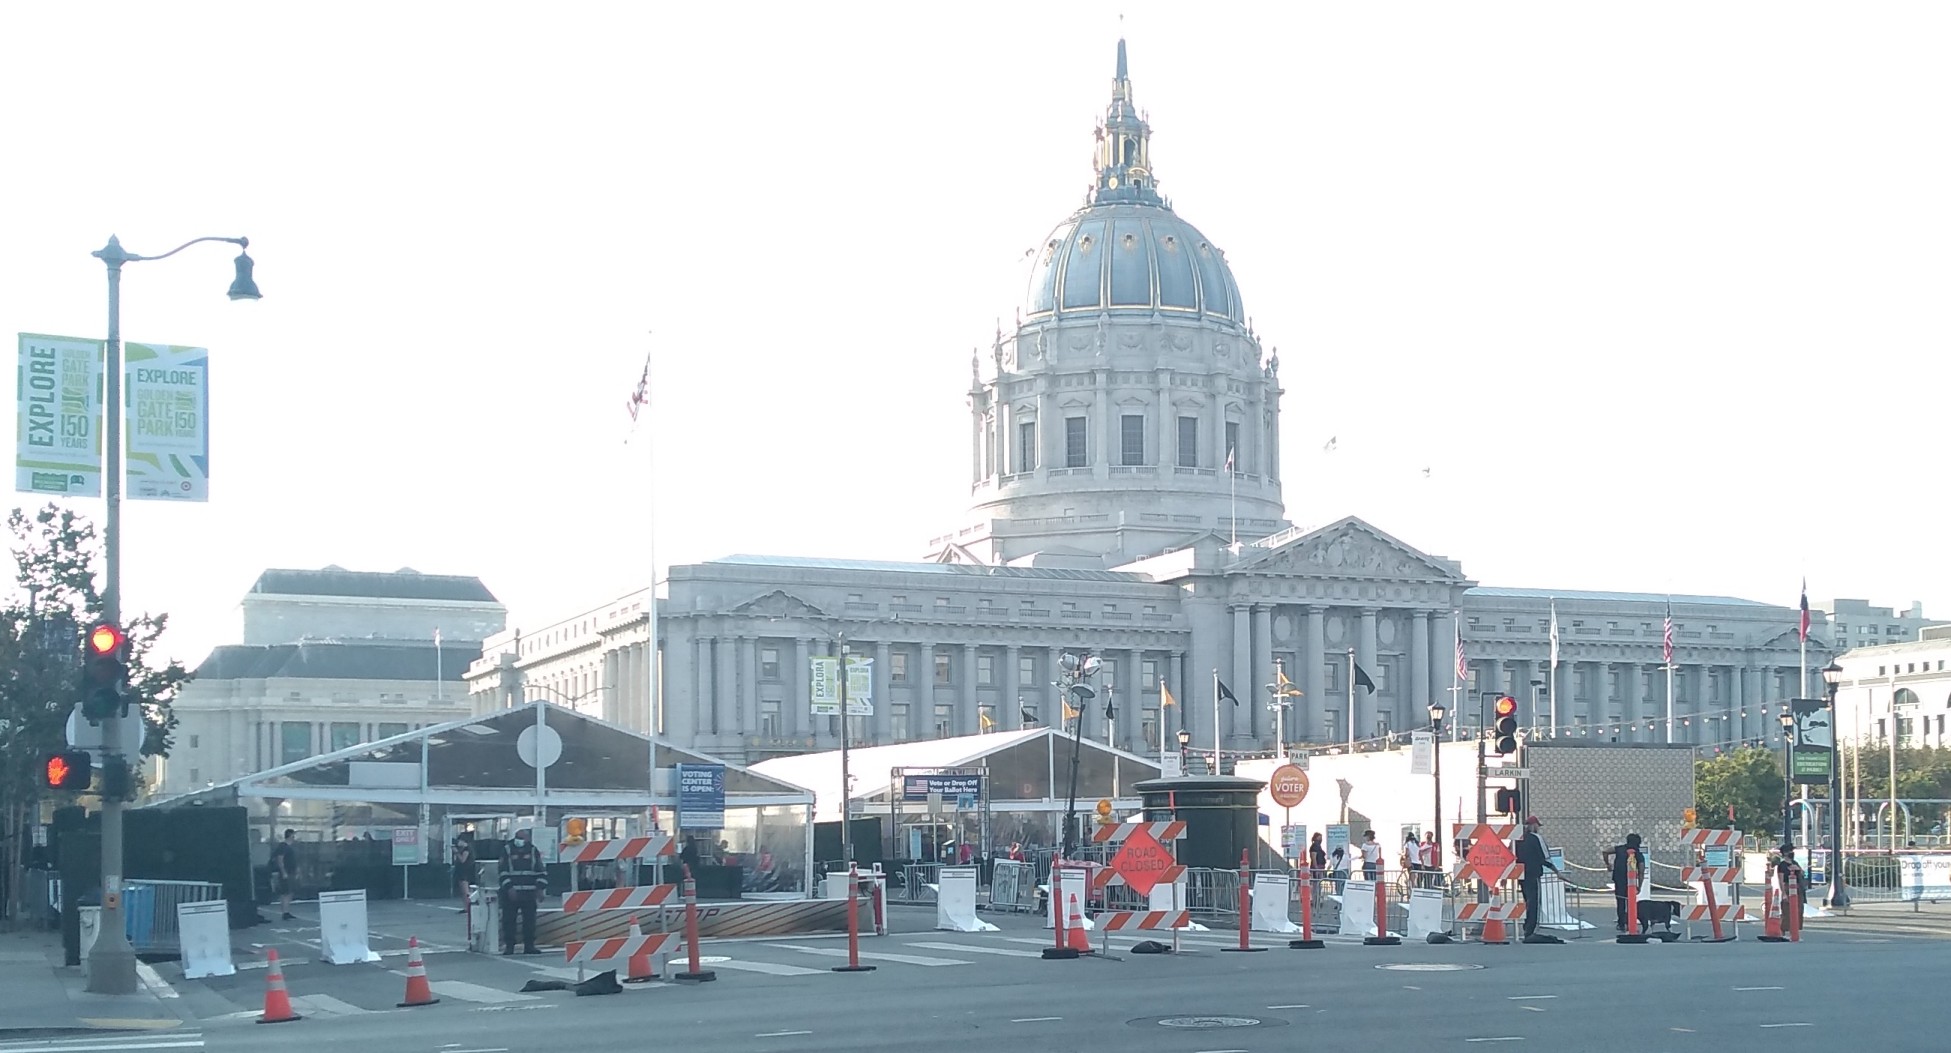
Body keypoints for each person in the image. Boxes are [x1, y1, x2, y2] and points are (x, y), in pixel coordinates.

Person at [498, 828, 549, 955]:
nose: (519, 841)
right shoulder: (507, 850)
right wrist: (509, 888)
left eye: (522, 838)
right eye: (517, 837)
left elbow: (541, 871)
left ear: (528, 839)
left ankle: (529, 946)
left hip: (529, 893)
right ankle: (509, 946)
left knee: (530, 921)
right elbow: (502, 871)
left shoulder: (532, 850)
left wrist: (540, 889)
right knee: (509, 921)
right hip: (511, 894)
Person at [1514, 816, 1563, 941]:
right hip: (1533, 873)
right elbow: (1545, 857)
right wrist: (1556, 871)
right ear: (1533, 825)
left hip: (1520, 874)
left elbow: (1511, 856)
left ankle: (1526, 927)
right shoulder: (1537, 838)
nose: (1538, 828)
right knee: (1534, 902)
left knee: (1527, 901)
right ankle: (1530, 930)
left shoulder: (1517, 839)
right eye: (1537, 826)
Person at [1601, 833, 1646, 932]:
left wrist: (1608, 864)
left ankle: (1621, 924)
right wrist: (1640, 886)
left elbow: (1605, 851)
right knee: (1631, 903)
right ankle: (1630, 923)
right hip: (1632, 882)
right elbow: (1641, 872)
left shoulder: (1619, 849)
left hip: (1618, 879)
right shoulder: (1638, 854)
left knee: (1620, 902)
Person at [269, 829, 298, 921]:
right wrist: (283, 872)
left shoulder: (288, 847)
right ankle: (285, 912)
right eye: (293, 836)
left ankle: (286, 911)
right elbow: (280, 859)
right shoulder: (283, 847)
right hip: (286, 872)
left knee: (289, 892)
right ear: (290, 836)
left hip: (290, 872)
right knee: (286, 892)